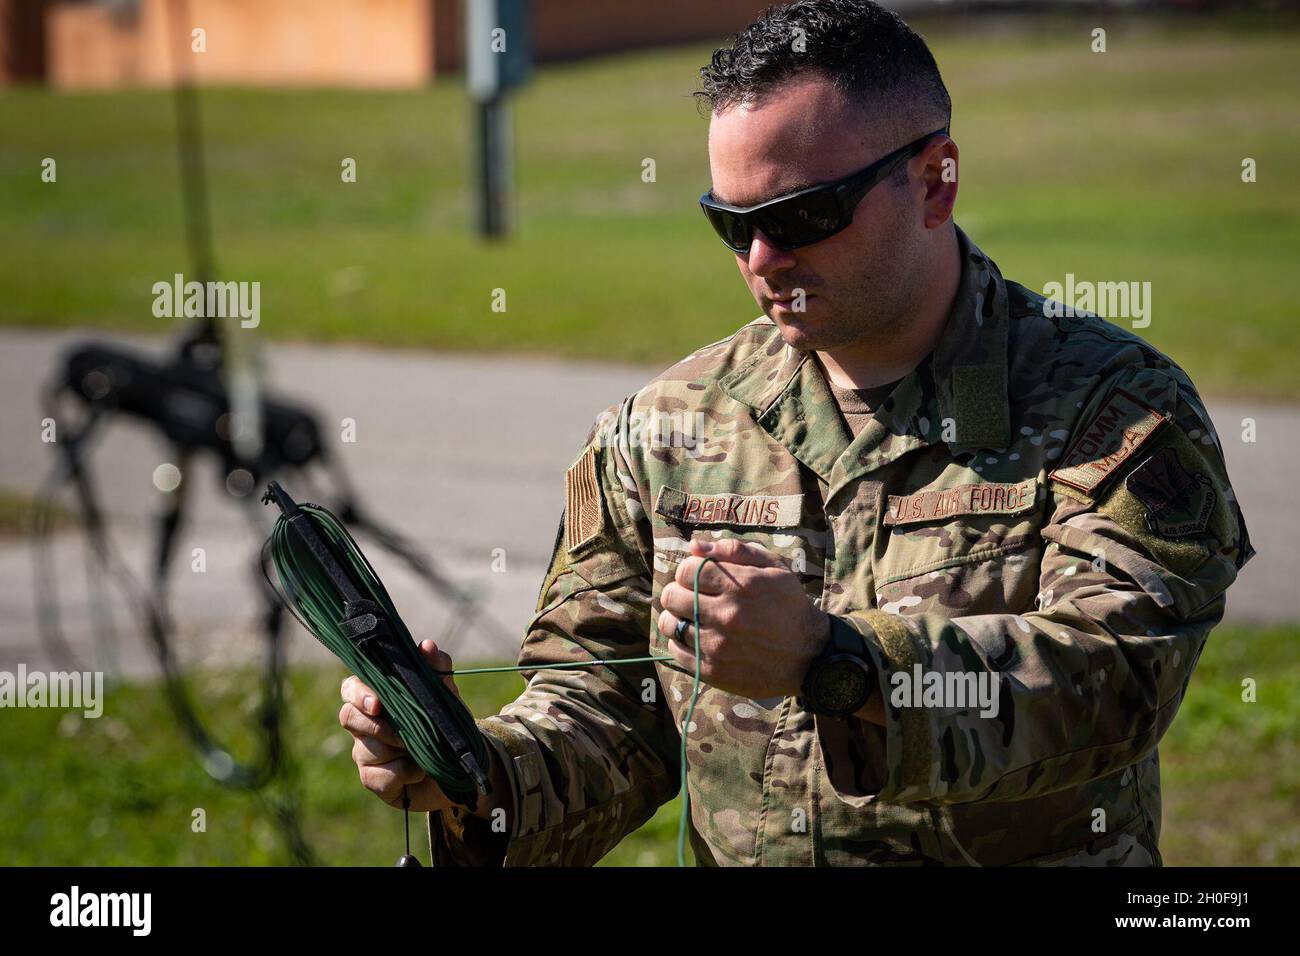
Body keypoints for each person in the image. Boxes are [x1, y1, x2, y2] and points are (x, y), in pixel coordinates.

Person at [339, 0, 1253, 866]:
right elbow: (607, 711)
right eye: (731, 226)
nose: (762, 262)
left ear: (936, 182)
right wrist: (471, 775)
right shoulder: (670, 426)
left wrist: (838, 664)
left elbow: (1118, 679)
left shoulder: (1109, 407)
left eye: (802, 217)